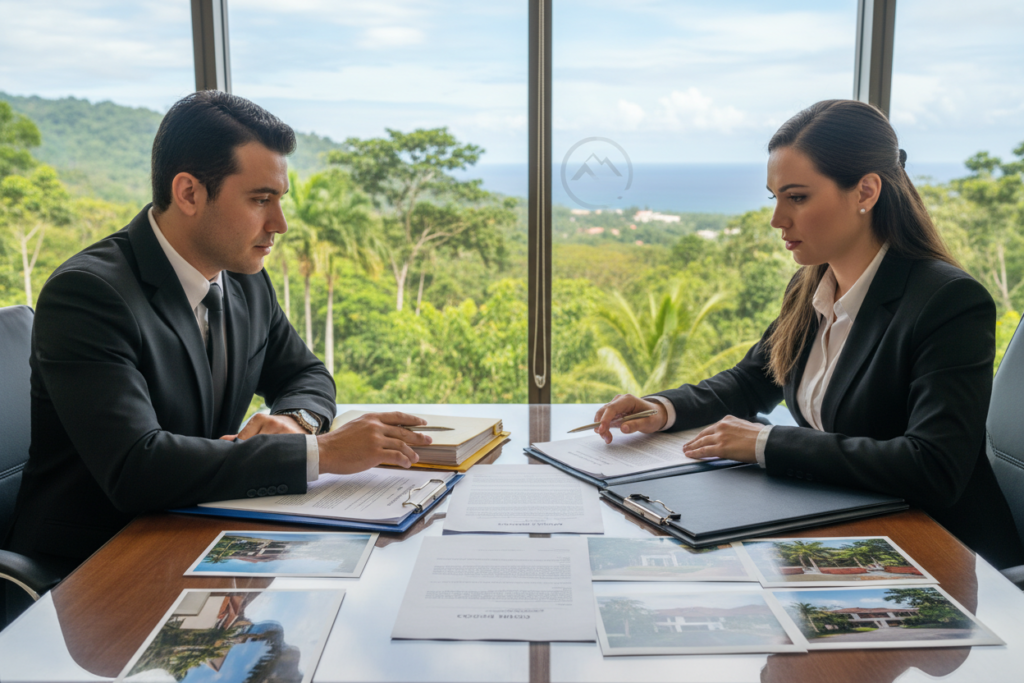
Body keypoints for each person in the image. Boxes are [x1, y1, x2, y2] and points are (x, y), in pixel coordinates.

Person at [4, 91, 432, 598]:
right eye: (259, 200)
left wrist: (296, 422)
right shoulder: (89, 295)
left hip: (199, 536)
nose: (279, 224)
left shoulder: (244, 277)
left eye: (279, 200)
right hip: (94, 571)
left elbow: (305, 375)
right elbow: (136, 466)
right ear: (188, 192)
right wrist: (318, 452)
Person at [594, 99, 1024, 570]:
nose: (778, 219)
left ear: (865, 191)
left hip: (940, 552)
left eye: (797, 197)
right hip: (848, 526)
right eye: (774, 197)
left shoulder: (948, 302)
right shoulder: (811, 284)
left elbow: (932, 467)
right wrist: (663, 409)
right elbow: (752, 380)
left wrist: (766, 442)